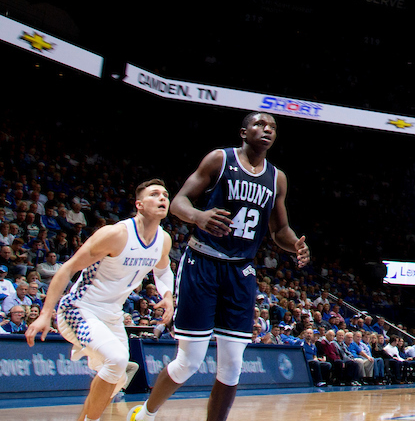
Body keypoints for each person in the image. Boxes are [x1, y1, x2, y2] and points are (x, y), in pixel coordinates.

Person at [127, 113, 309, 421]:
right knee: (189, 360)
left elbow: (279, 230)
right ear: (243, 132)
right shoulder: (219, 160)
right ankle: (145, 413)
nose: (266, 130)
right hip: (203, 262)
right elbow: (179, 202)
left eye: (272, 127)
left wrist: (296, 245)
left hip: (241, 272)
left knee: (232, 364)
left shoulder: (277, 177)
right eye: (259, 125)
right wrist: (199, 216)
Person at [26, 180, 174, 421]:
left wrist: (167, 295)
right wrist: (45, 314)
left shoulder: (163, 240)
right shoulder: (115, 234)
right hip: (78, 309)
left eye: (165, 195)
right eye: (155, 194)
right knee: (116, 360)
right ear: (139, 205)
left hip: (112, 315)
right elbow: (67, 269)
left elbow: (163, 270)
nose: (162, 198)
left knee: (115, 375)